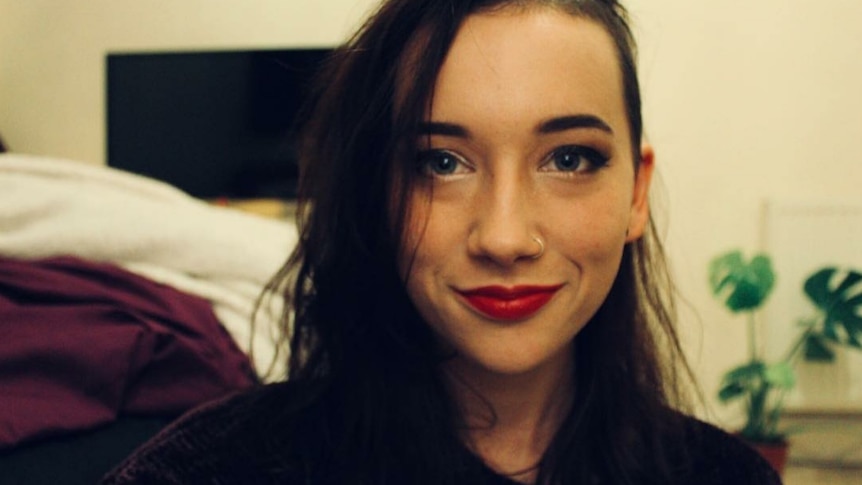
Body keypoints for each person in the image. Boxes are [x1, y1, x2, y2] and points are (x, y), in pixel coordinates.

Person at [102, 0, 782, 483]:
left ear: (635, 192)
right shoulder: (214, 469)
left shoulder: (723, 474)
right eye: (441, 163)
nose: (505, 236)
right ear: (379, 192)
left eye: (569, 159)